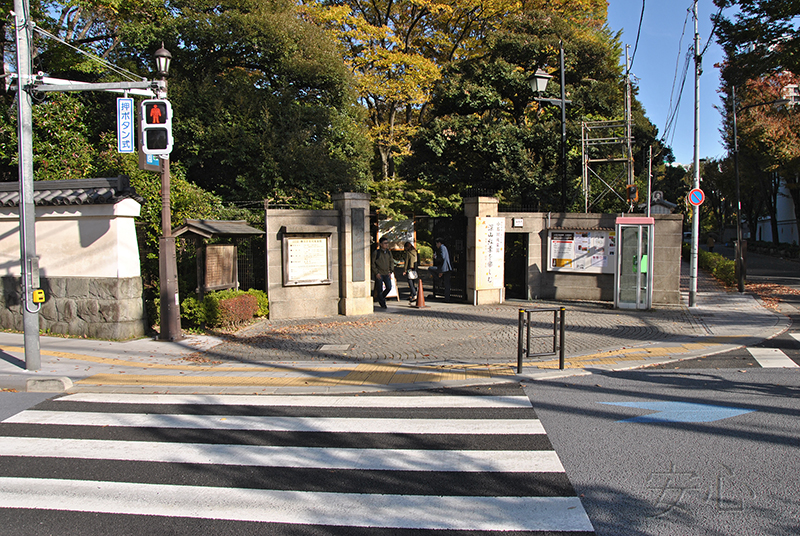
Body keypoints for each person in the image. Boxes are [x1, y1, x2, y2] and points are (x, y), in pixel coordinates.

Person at [371, 236, 393, 309]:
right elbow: (373, 263)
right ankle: (383, 303)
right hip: (379, 273)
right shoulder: (376, 253)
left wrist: (391, 271)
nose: (386, 245)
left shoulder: (389, 253)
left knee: (389, 287)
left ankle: (381, 298)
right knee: (379, 289)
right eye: (385, 243)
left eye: (387, 243)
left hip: (386, 273)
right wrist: (376, 273)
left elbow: (391, 262)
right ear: (381, 244)